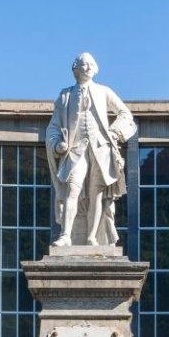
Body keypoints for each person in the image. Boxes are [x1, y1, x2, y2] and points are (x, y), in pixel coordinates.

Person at [46, 53, 136, 246]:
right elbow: (53, 127)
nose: (87, 67)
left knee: (97, 195)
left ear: (95, 69)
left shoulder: (104, 91)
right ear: (75, 68)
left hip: (100, 149)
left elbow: (125, 114)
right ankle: (65, 235)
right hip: (76, 151)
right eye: (83, 64)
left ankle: (91, 237)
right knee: (72, 190)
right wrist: (57, 144)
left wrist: (115, 132)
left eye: (90, 64)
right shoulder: (65, 96)